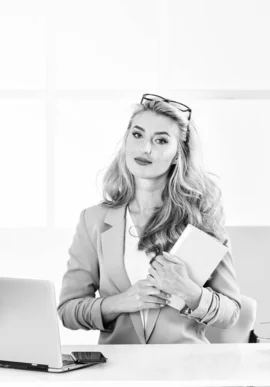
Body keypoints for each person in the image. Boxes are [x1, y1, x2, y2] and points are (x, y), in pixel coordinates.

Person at [57, 93, 242, 345]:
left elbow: (231, 313)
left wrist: (188, 291)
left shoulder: (201, 222)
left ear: (178, 154)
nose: (145, 148)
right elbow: (68, 311)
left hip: (185, 372)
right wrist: (119, 303)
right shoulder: (94, 220)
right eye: (137, 135)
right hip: (118, 372)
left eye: (161, 140)